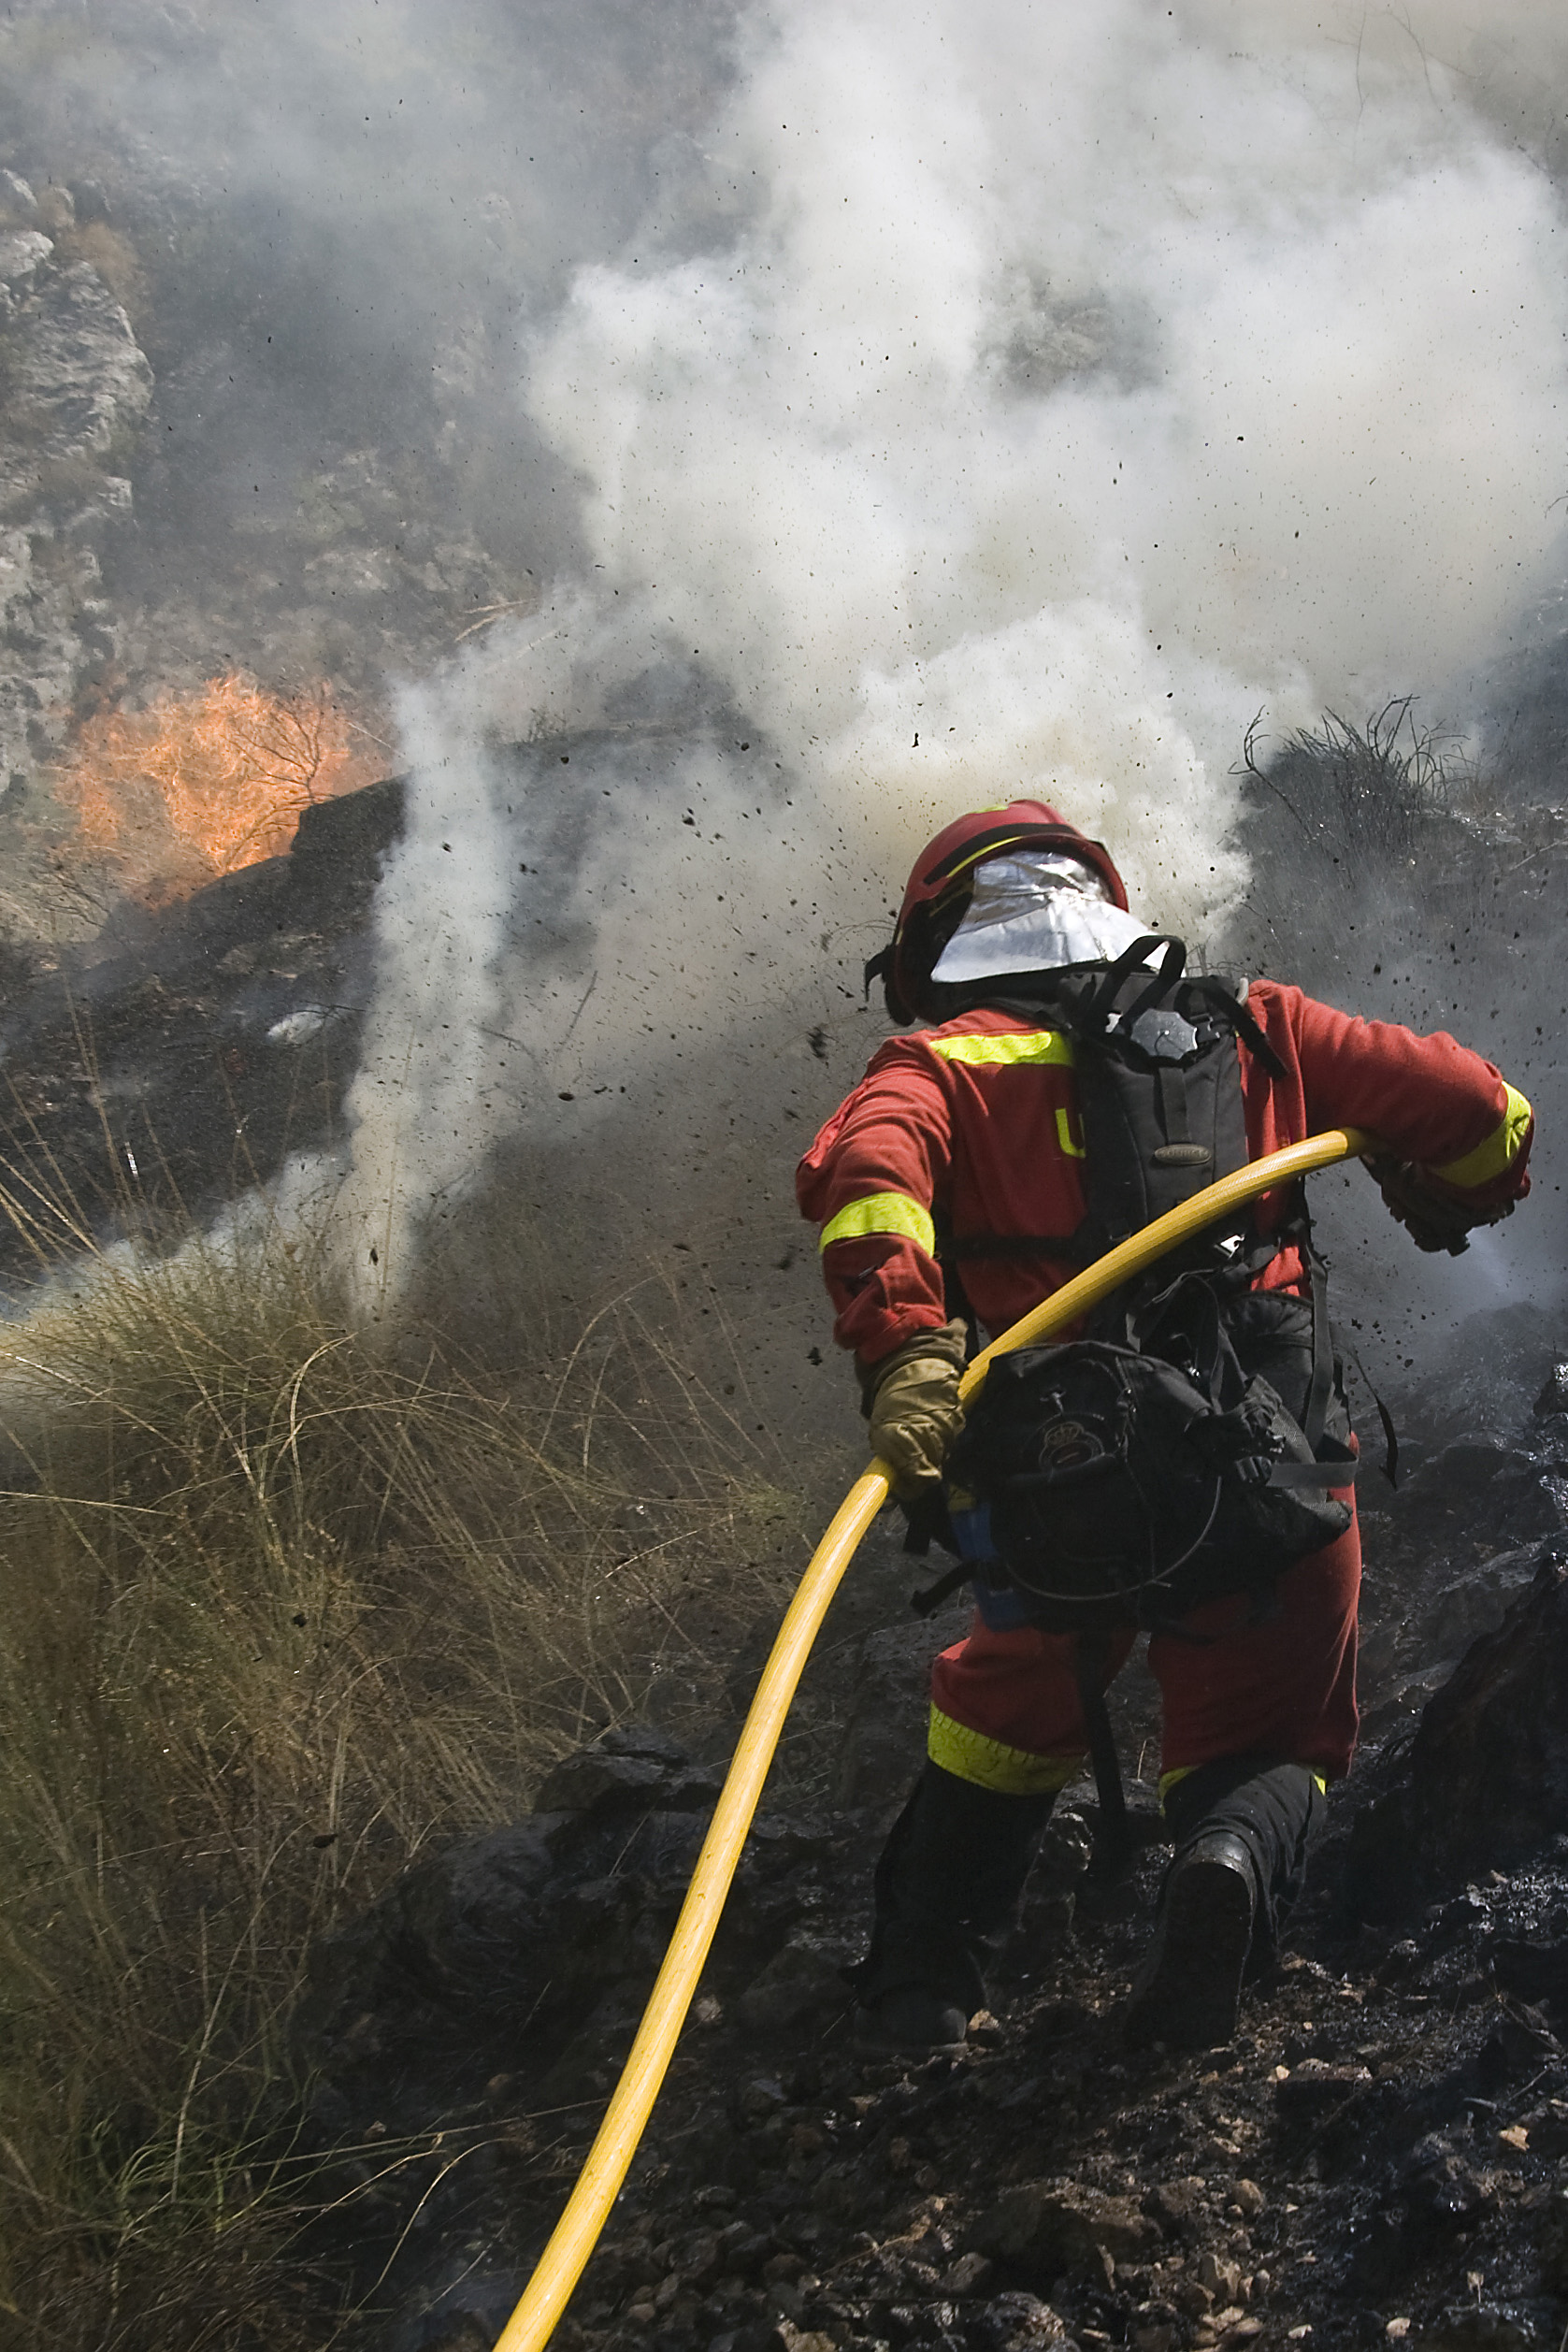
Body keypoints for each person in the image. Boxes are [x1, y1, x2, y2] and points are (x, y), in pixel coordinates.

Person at [796, 801, 1533, 2053]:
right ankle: (1227, 1862)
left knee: (1004, 1705)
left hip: (1055, 1480)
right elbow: (1484, 1112)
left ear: (942, 941)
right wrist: (1449, 1185)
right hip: (1269, 1458)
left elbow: (868, 1190)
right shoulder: (1256, 1023)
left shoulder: (932, 1071)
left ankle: (921, 1993)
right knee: (1269, 1728)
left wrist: (907, 1353)